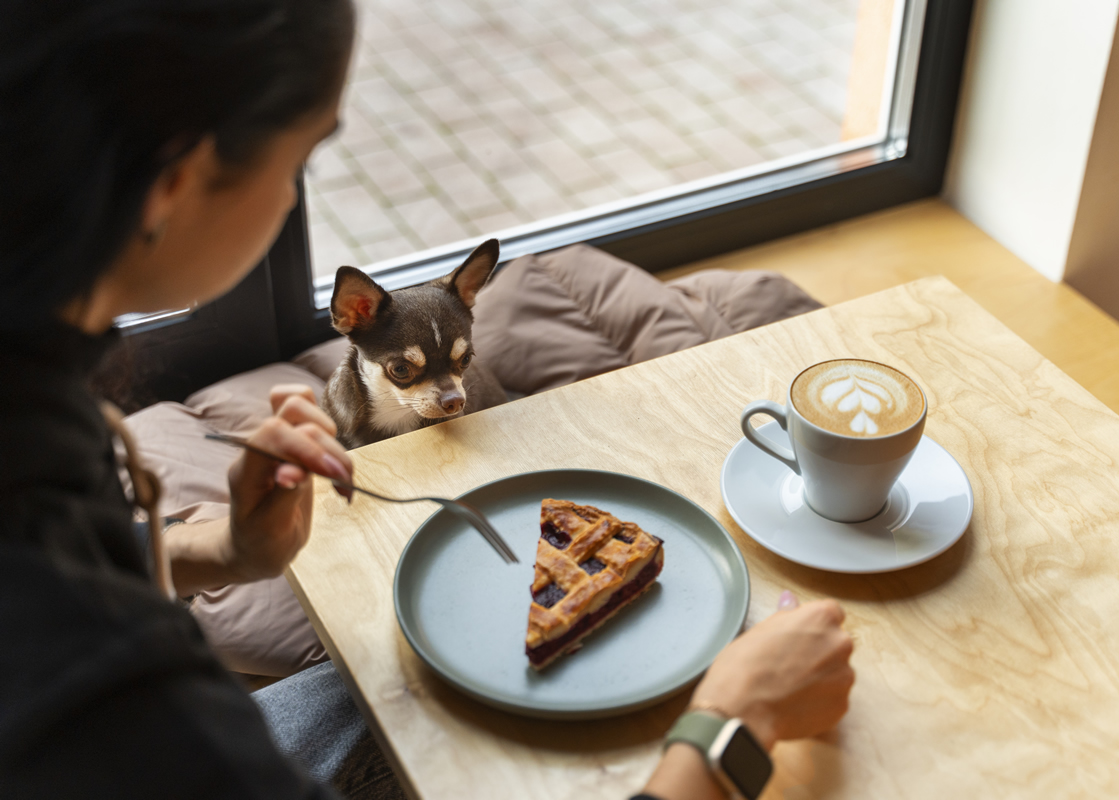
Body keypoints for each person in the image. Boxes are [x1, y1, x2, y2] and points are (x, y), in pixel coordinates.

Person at [0, 1, 854, 798]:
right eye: (299, 159)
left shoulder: (39, 391)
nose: (294, 195)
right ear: (175, 180)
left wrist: (215, 553)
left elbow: (77, 553)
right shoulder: (99, 674)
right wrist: (735, 727)